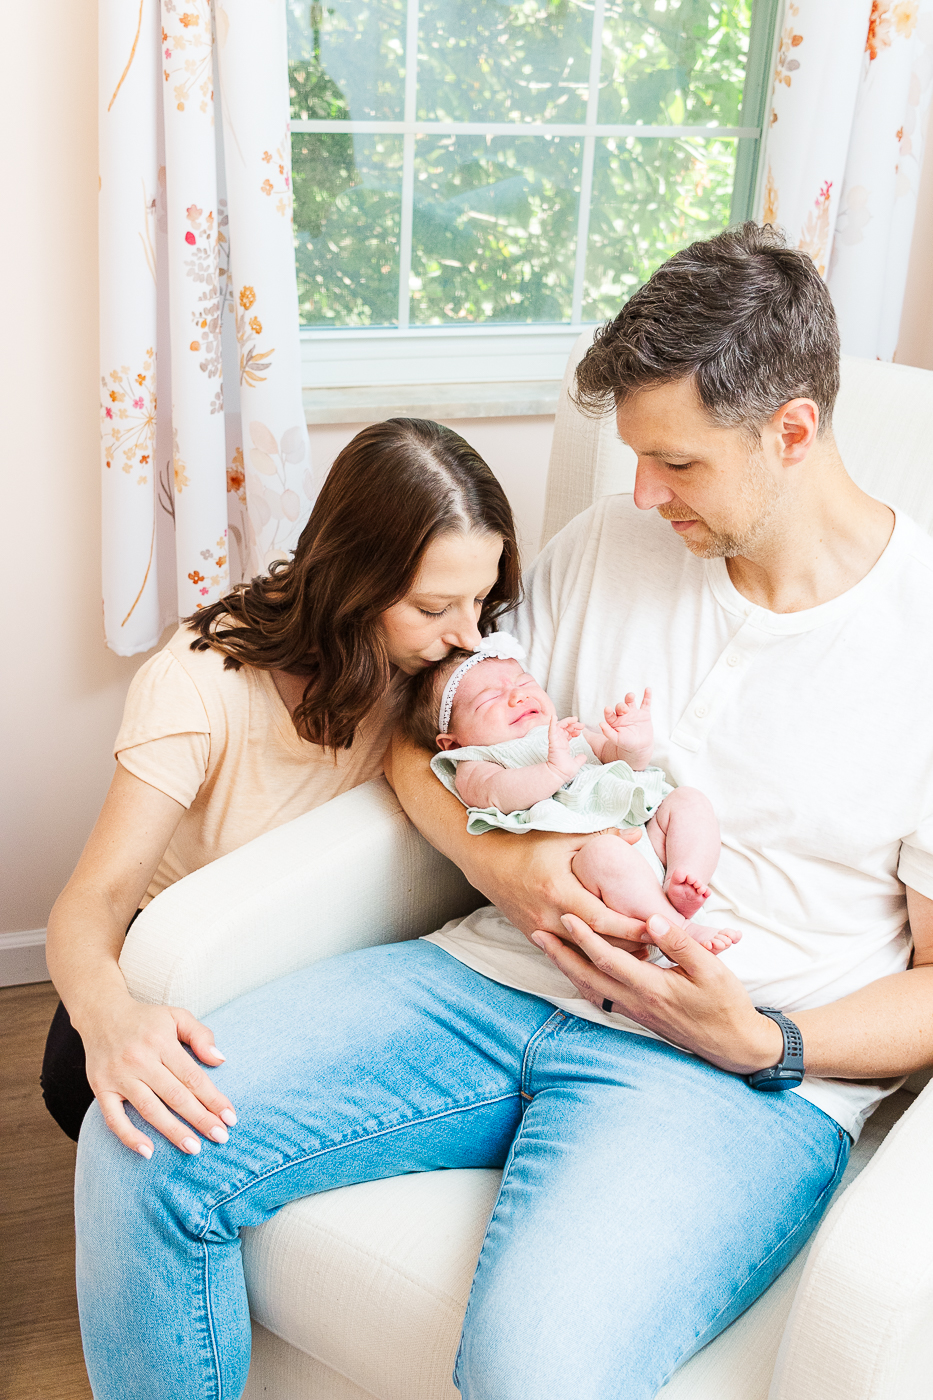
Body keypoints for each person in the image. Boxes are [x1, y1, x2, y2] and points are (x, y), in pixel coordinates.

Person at [74, 224, 933, 1400]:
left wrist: (767, 1041)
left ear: (791, 431)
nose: (640, 492)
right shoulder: (609, 546)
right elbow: (414, 734)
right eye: (632, 456)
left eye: (676, 463)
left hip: (715, 1077)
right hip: (482, 980)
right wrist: (509, 874)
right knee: (142, 1143)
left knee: (538, 1368)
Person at [44, 416, 520, 1153]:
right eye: (432, 608)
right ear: (355, 584)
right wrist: (110, 1020)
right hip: (197, 945)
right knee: (79, 1075)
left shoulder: (445, 676)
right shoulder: (200, 683)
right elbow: (93, 900)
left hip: (333, 947)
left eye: (479, 599)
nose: (470, 635)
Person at [403, 633, 733, 950]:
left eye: (525, 683)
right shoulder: (475, 762)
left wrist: (633, 746)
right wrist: (551, 771)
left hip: (647, 837)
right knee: (606, 854)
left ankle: (683, 874)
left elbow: (621, 762)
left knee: (688, 801)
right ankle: (681, 929)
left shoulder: (568, 733)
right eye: (489, 698)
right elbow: (496, 794)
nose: (518, 696)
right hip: (592, 866)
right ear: (453, 740)